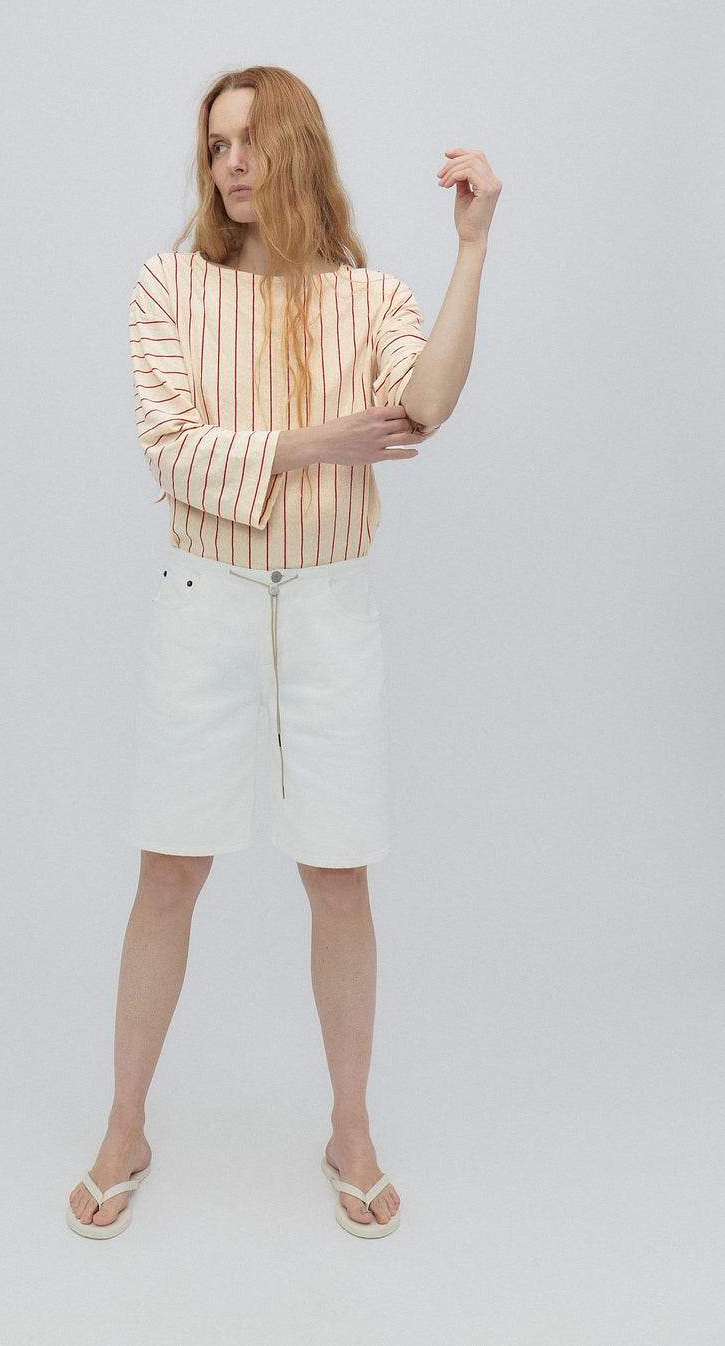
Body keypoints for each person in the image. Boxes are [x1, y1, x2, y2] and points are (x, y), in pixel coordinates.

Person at [68, 66, 501, 1240]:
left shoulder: (369, 296)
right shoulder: (167, 284)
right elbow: (172, 448)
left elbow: (426, 404)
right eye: (216, 146)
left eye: (252, 141)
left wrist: (470, 252)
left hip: (327, 606)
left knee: (338, 874)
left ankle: (350, 1127)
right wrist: (316, 443)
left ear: (297, 147)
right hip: (202, 600)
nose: (232, 164)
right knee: (169, 870)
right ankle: (124, 1123)